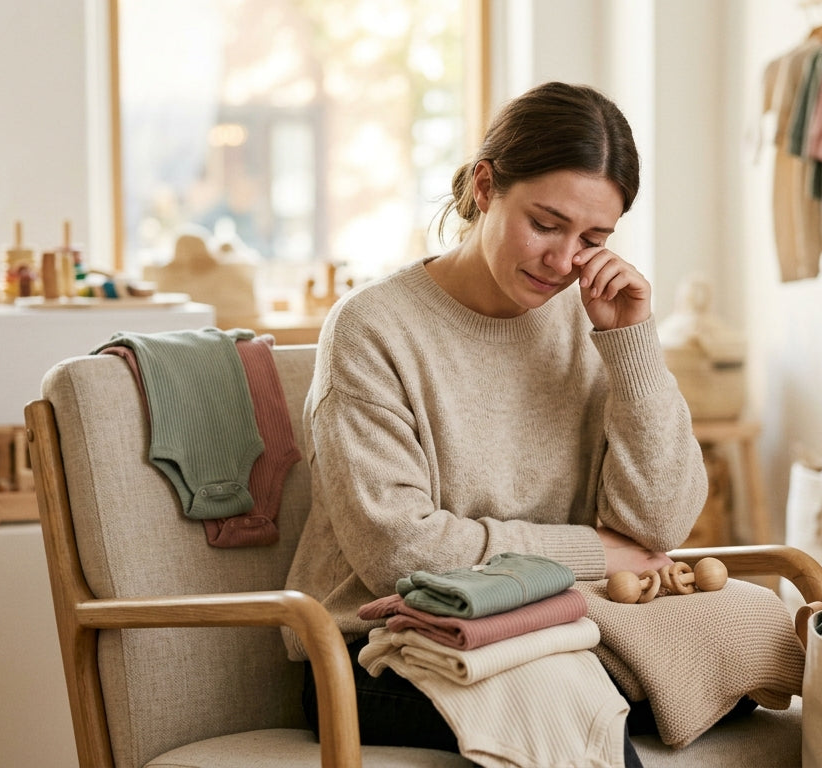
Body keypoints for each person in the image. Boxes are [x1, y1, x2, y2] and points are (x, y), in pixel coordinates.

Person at [283, 81, 709, 762]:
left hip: (557, 626)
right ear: (485, 186)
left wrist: (631, 347)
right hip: (385, 652)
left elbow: (659, 525)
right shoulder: (373, 328)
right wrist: (594, 553)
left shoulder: (594, 322)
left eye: (593, 238)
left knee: (774, 640)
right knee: (575, 716)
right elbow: (399, 553)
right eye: (545, 223)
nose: (566, 261)